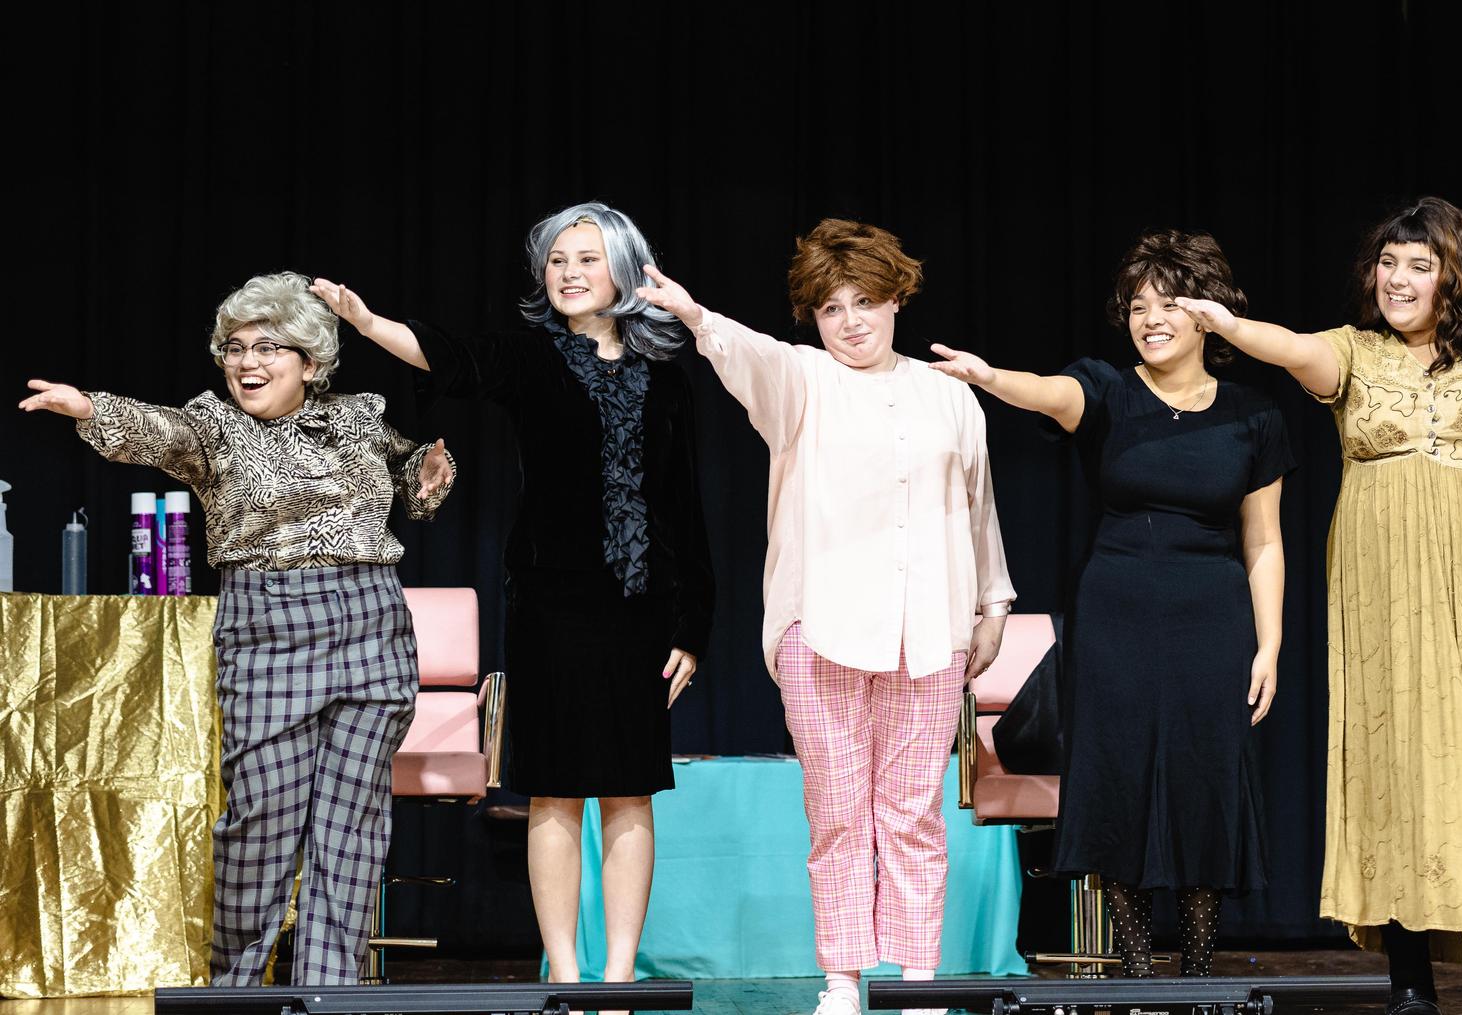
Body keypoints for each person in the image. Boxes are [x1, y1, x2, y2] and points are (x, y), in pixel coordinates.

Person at [309, 202, 713, 999]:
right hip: (550, 609)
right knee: (554, 788)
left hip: (640, 611)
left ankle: (619, 978)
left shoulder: (668, 376)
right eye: (557, 260)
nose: (568, 272)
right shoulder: (531, 357)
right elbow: (450, 357)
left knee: (630, 790)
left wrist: (693, 626)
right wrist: (365, 321)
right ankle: (564, 973)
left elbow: (686, 508)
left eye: (586, 259)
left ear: (623, 270)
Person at [1175, 197, 1462, 1014]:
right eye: (1388, 263)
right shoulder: (1355, 352)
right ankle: (1411, 979)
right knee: (1399, 763)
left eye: (1419, 265)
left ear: (1454, 277)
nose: (1398, 278)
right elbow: (1293, 349)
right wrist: (1228, 325)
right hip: (1385, 587)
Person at [19, 271, 455, 985]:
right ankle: (237, 990)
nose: (246, 363)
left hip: (370, 625)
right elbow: (157, 430)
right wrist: (89, 407)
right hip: (268, 631)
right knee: (260, 822)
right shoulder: (215, 428)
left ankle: (327, 992)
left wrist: (428, 476)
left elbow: (408, 478)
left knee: (350, 829)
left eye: (267, 348)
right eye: (235, 348)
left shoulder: (359, 419)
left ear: (310, 363)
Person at [635, 218, 1014, 1015]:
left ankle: (918, 980)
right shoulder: (802, 380)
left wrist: (994, 602)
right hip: (822, 628)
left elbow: (978, 505)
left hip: (930, 628)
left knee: (914, 815)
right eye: (832, 307)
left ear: (897, 299)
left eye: (865, 301)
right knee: (838, 815)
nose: (850, 321)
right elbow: (747, 354)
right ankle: (841, 980)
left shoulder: (949, 394)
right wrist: (695, 315)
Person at [930, 229, 1291, 977]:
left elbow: (1264, 541)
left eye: (1168, 304)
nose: (1150, 319)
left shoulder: (1253, 415)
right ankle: (1135, 965)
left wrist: (1270, 644)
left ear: (1208, 314)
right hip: (1116, 613)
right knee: (1117, 776)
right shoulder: (1106, 389)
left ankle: (1197, 971)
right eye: (1136, 306)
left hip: (1214, 617)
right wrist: (989, 376)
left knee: (1203, 780)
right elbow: (1048, 391)